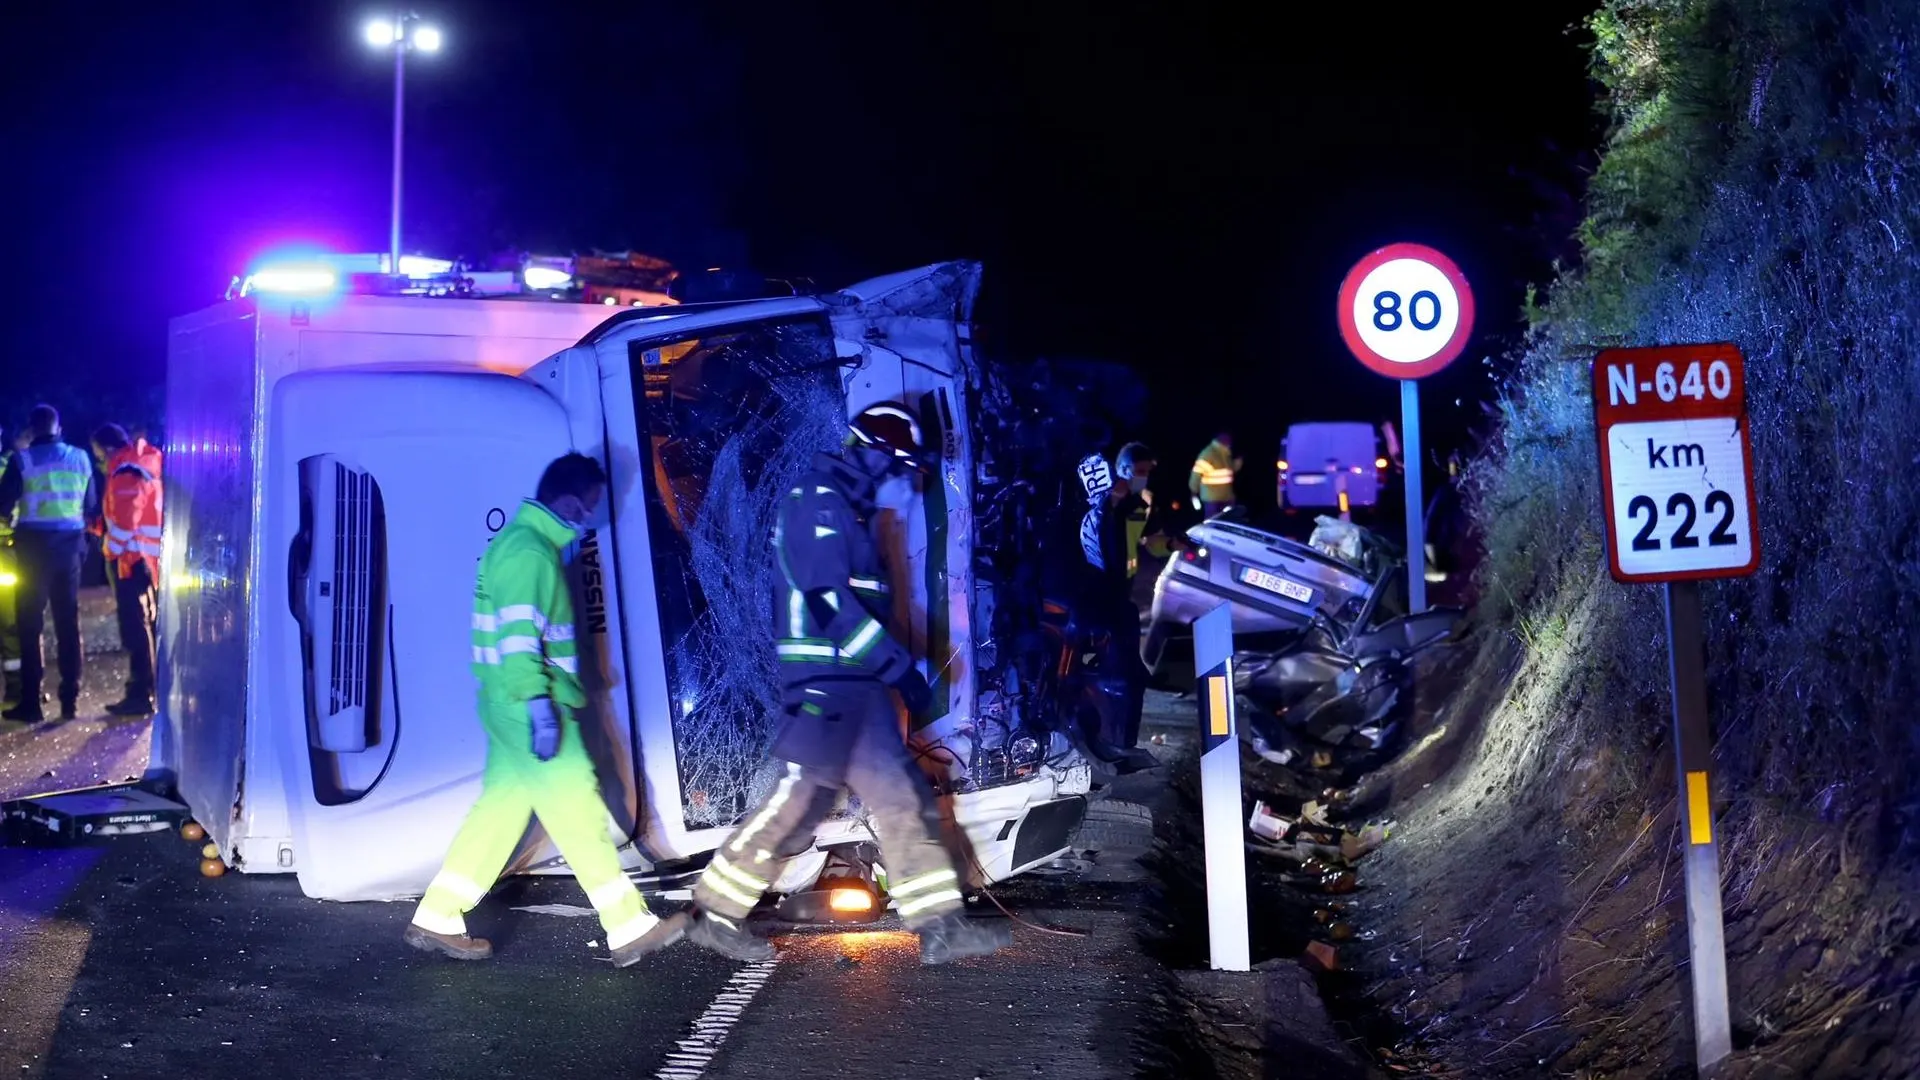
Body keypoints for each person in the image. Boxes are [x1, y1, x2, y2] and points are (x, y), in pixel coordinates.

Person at [671, 403, 1013, 966]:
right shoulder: (817, 502)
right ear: (871, 453)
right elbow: (830, 602)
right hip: (827, 684)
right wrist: (895, 666)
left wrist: (888, 670)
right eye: (893, 465)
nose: (893, 478)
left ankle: (940, 927)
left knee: (903, 800)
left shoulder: (844, 507)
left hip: (855, 686)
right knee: (798, 804)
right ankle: (711, 913)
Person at [406, 452, 679, 965]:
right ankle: (626, 924)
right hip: (531, 703)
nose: (599, 512)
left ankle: (438, 914)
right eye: (596, 503)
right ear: (573, 502)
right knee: (576, 805)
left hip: (510, 702)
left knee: (501, 812)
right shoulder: (530, 553)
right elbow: (518, 642)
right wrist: (541, 710)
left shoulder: (521, 544)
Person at [0, 405, 99, 721]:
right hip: (69, 549)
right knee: (68, 623)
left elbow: (2, 504)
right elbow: (91, 505)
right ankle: (69, 702)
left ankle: (31, 704)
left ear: (33, 428)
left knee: (30, 625)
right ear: (59, 427)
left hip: (33, 549)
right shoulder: (81, 458)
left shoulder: (22, 459)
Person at [1070, 453, 1156, 773]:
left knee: (1127, 674)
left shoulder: (1110, 514)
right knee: (1121, 677)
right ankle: (1116, 738)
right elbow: (1107, 562)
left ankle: (1118, 738)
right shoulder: (1101, 517)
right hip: (1107, 602)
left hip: (1111, 600)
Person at [91, 424, 164, 717]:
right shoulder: (142, 464)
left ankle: (139, 693)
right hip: (144, 559)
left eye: (98, 453)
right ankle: (146, 688)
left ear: (107, 448)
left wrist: (110, 548)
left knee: (134, 628)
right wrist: (99, 527)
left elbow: (125, 523)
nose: (99, 460)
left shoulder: (123, 471)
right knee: (145, 625)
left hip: (130, 561)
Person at [1113, 442, 1159, 582]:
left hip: (1128, 568)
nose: (1144, 477)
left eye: (1147, 472)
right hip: (1112, 570)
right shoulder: (1114, 501)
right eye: (1140, 472)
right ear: (1124, 470)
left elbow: (1145, 532)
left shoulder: (1142, 498)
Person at [1188, 431, 1241, 518]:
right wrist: (1193, 493)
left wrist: (1237, 463)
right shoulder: (1208, 453)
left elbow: (1228, 472)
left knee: (1228, 523)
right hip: (1212, 499)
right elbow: (1196, 475)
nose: (1230, 444)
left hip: (1227, 497)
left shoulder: (1225, 453)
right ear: (1221, 441)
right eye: (1228, 441)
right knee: (1212, 524)